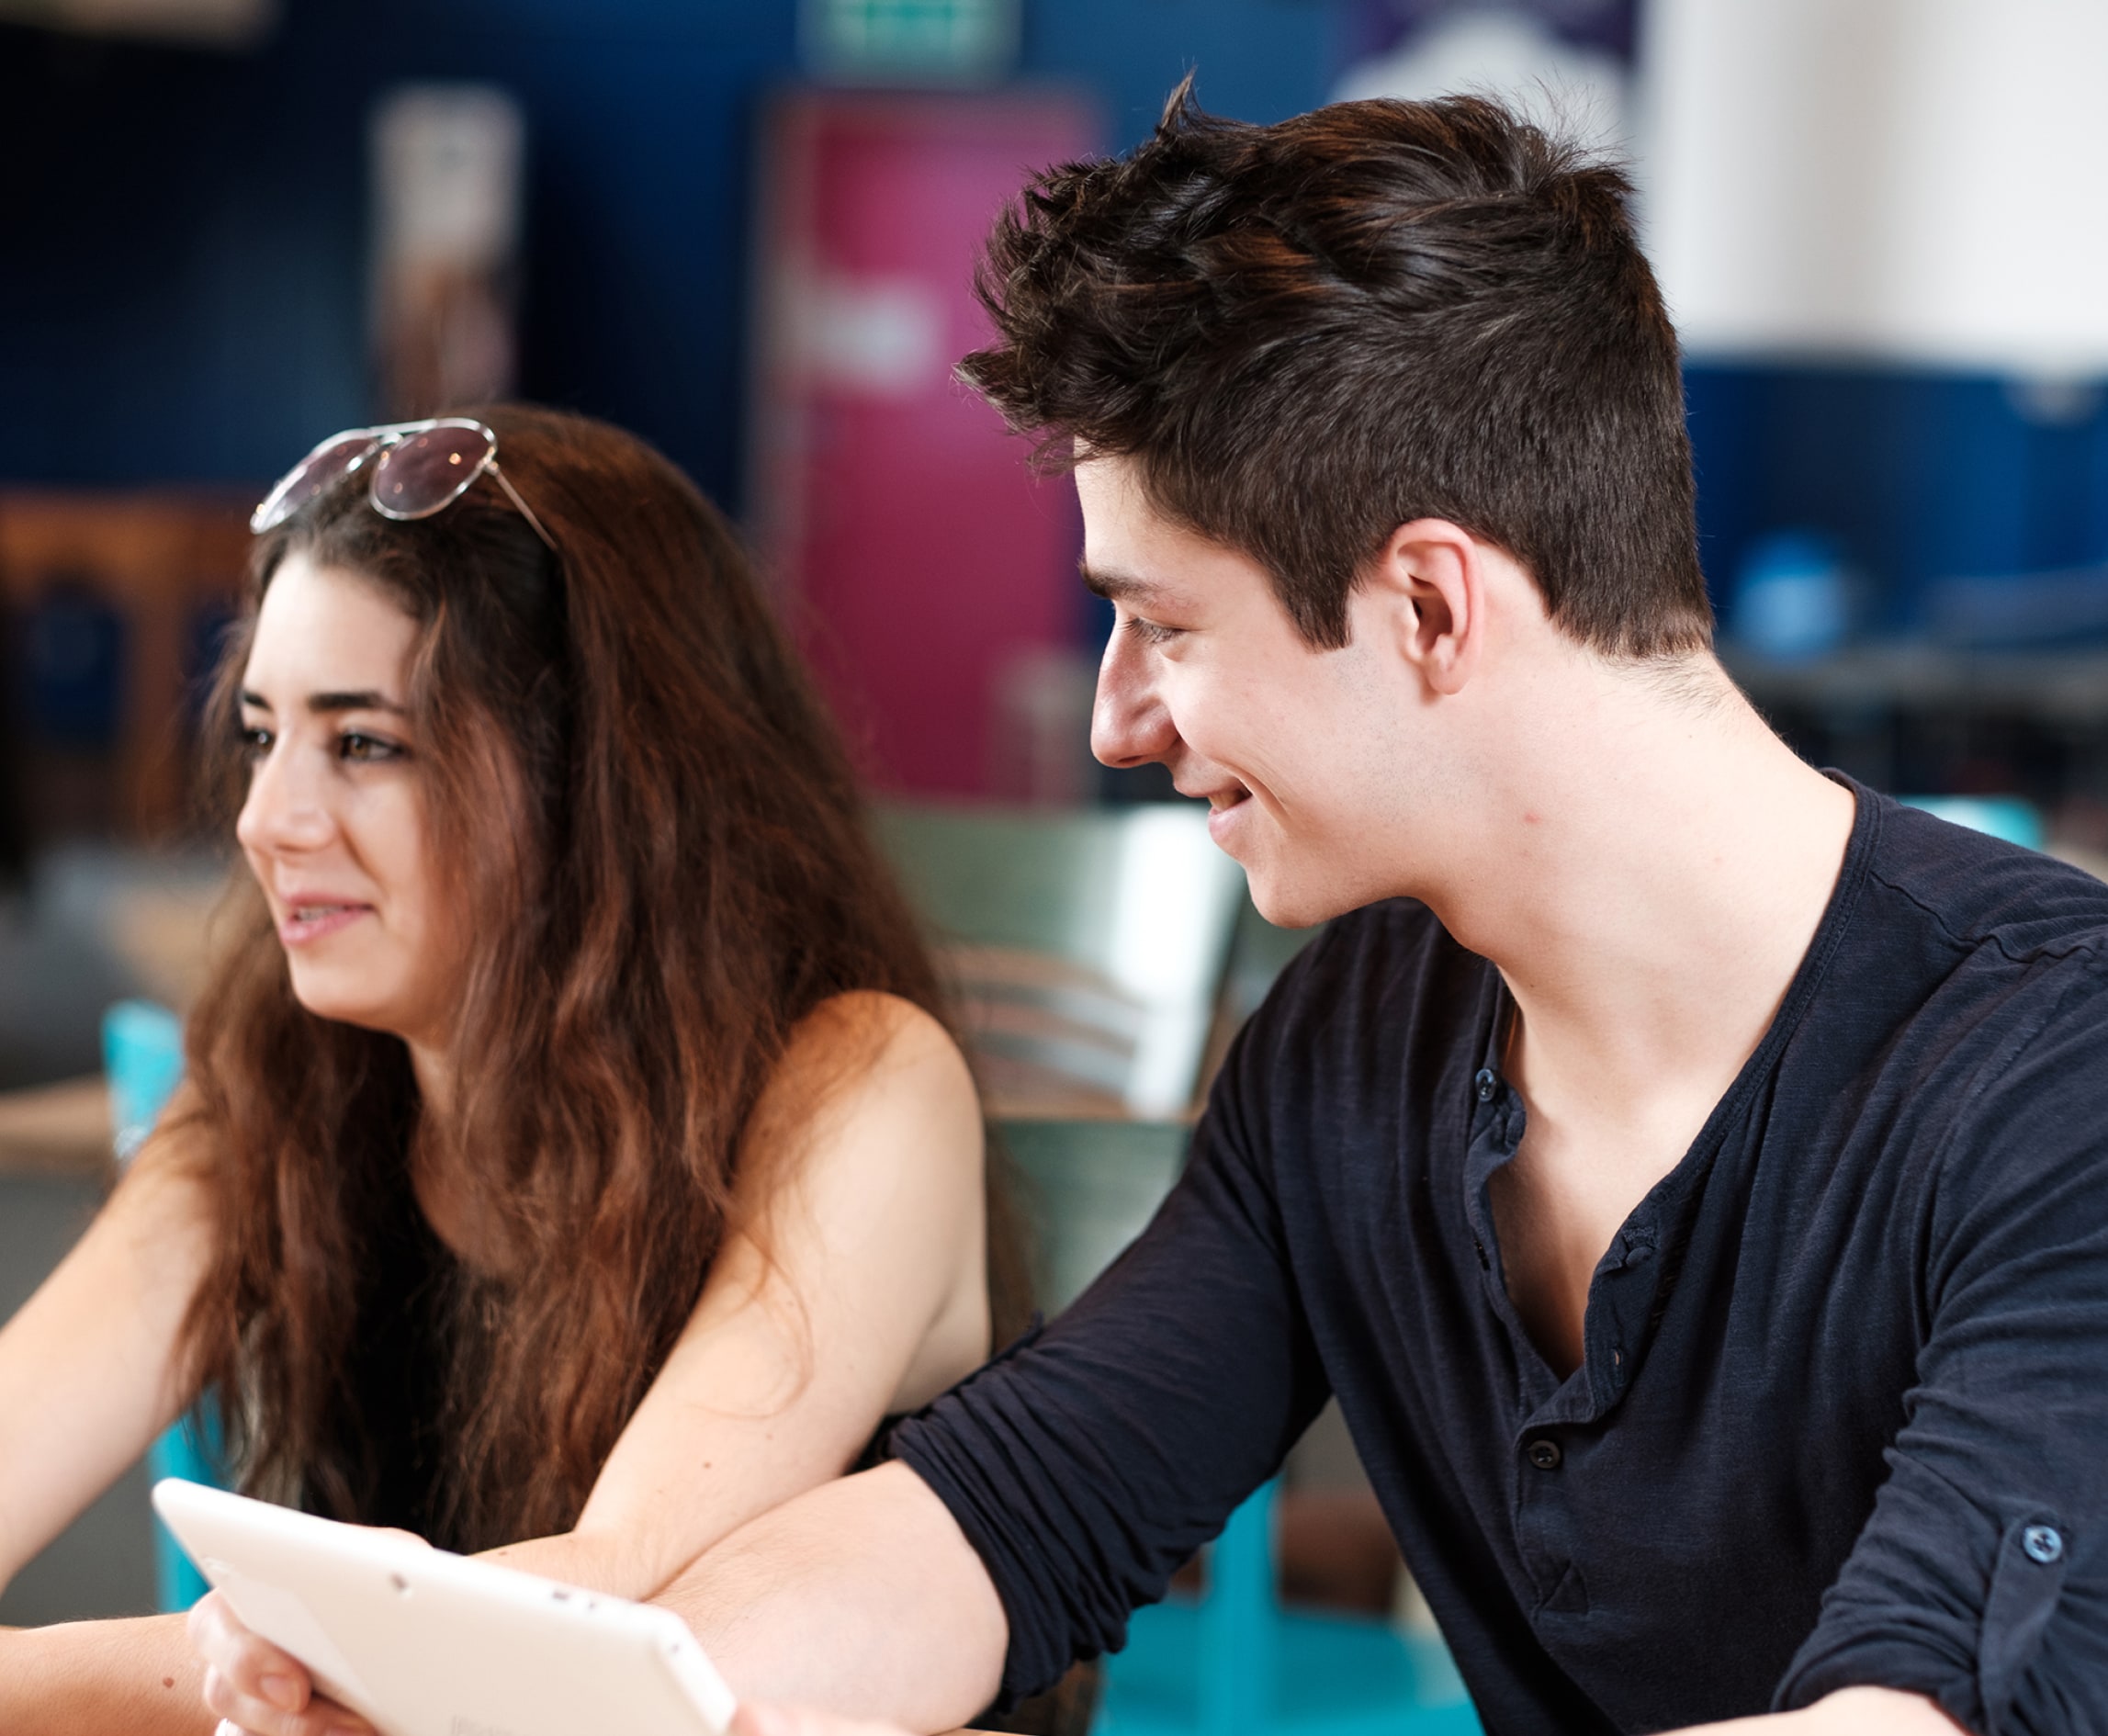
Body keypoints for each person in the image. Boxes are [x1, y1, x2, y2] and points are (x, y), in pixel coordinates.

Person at [201, 90, 2108, 1736]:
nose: (1114, 717)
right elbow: (1005, 1513)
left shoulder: (2051, 1069)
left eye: (1164, 623)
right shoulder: (1362, 1039)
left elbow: (1907, 1708)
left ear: (1431, 609)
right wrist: (557, 1683)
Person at [0, 405, 1019, 1734]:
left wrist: (226, 1668)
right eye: (263, 734)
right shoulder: (281, 1083)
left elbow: (584, 1620)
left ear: (598, 777)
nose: (266, 819)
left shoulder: (865, 1086)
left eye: (363, 743)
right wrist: (222, 1666)